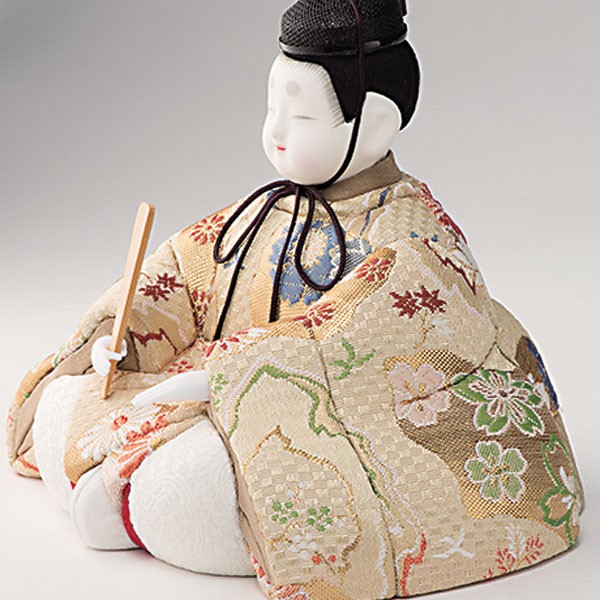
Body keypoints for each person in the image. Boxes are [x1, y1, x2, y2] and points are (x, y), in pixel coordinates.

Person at [7, 1, 583, 598]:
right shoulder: (273, 210)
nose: (276, 133)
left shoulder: (414, 238)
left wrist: (228, 377)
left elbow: (361, 336)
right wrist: (123, 330)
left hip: (339, 419)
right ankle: (130, 497)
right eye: (272, 110)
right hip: (222, 385)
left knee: (195, 476)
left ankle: (131, 499)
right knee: (68, 402)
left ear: (375, 123)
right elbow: (187, 268)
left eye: (301, 116)